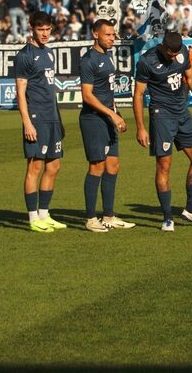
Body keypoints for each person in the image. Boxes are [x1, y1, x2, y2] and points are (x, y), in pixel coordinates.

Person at [133, 31, 192, 232]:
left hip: (182, 113)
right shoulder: (147, 61)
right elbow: (139, 94)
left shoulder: (183, 52)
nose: (173, 56)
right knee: (164, 166)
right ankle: (168, 217)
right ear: (162, 46)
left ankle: (191, 210)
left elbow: (191, 79)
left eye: (175, 53)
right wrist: (141, 128)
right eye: (170, 53)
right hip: (161, 115)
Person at [79, 19, 135, 232]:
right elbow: (87, 95)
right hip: (93, 119)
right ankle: (91, 219)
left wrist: (116, 113)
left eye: (113, 34)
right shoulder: (88, 60)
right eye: (108, 35)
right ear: (96, 34)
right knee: (97, 166)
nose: (112, 38)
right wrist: (112, 114)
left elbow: (108, 92)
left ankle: (109, 216)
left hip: (108, 118)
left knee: (113, 165)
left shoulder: (107, 57)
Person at [15, 11, 66, 233]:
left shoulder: (50, 53)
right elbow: (20, 91)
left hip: (52, 116)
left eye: (47, 29)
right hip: (36, 117)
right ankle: (33, 217)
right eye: (40, 30)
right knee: (35, 166)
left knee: (54, 165)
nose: (44, 34)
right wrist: (27, 122)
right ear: (32, 29)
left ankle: (45, 214)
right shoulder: (24, 56)